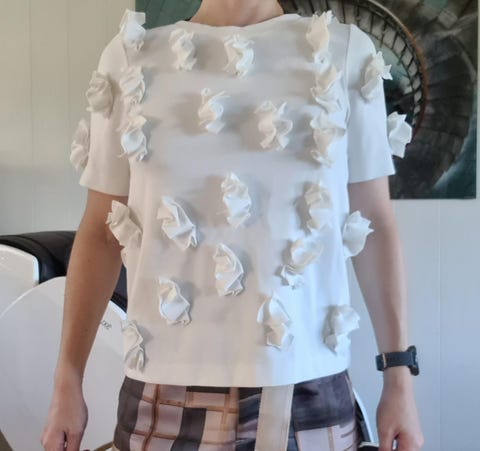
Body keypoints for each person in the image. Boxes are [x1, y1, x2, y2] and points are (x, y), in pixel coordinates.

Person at [41, 0, 424, 450]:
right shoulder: (131, 58)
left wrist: (399, 378)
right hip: (161, 392)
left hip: (306, 387)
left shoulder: (344, 53)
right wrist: (68, 378)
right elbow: (102, 233)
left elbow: (374, 225)